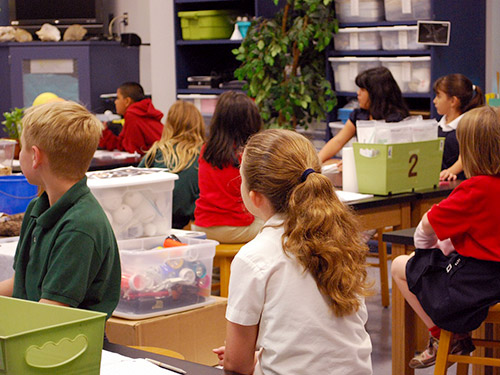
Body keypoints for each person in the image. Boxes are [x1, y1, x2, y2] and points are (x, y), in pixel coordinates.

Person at [213, 129, 372, 374]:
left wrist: (250, 357)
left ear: (254, 197)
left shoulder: (253, 257)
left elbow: (236, 365)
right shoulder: (342, 239)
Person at [391, 106, 500, 369]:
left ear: (470, 151)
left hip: (475, 286)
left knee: (399, 266)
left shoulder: (474, 189)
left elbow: (426, 226)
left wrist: (423, 255)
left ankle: (442, 336)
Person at [0, 101, 122, 319]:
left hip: (67, 343)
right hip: (36, 330)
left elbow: (51, 313)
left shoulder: (80, 226)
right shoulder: (37, 209)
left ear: (35, 156)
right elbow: (18, 284)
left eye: (23, 148)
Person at [192, 91, 263, 243]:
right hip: (236, 228)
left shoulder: (206, 150)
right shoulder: (249, 155)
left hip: (202, 227)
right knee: (277, 225)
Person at [318, 66, 409, 163]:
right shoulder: (359, 115)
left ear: (376, 93)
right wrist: (314, 163)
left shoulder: (395, 119)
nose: (358, 93)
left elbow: (390, 157)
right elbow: (338, 141)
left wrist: (353, 162)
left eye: (362, 89)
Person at [139, 100, 205, 229]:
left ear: (168, 124)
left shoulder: (156, 151)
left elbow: (136, 184)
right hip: (191, 223)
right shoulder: (204, 154)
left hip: (153, 223)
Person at [433, 74, 484, 181]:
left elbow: (466, 156)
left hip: (458, 182)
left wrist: (449, 172)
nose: (434, 101)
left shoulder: (467, 126)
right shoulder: (438, 125)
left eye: (439, 96)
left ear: (453, 101)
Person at [99, 82, 163, 155]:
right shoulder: (144, 112)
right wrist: (104, 133)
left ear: (127, 101)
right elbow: (122, 144)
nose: (115, 102)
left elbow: (134, 150)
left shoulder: (132, 115)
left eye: (118, 98)